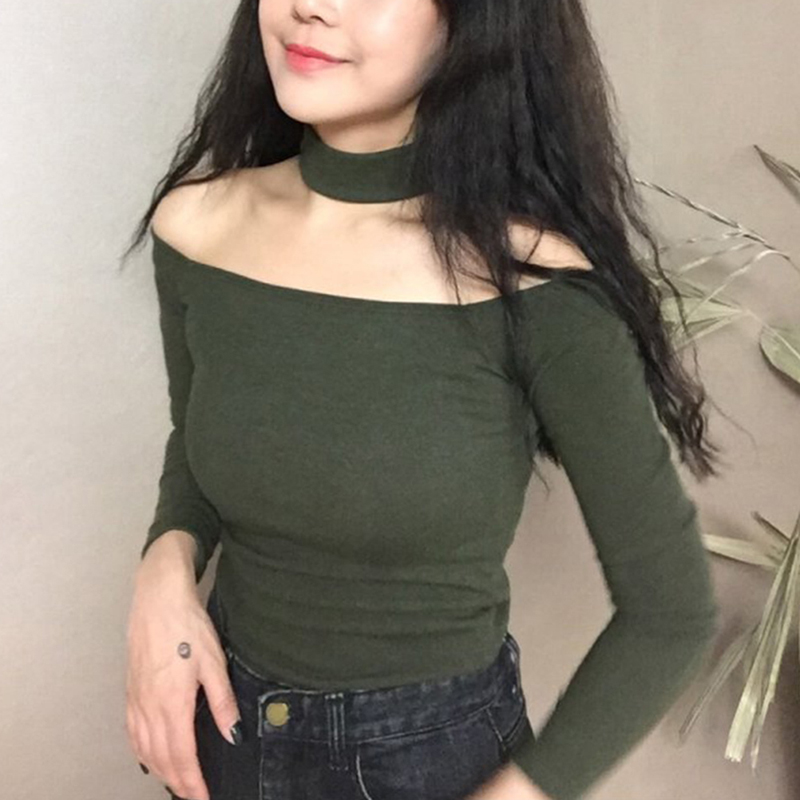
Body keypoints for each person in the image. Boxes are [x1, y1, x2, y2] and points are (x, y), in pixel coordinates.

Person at [123, 1, 723, 799]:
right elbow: (199, 445)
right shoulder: (198, 228)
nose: (310, 6)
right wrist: (163, 575)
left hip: (429, 763)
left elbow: (670, 613)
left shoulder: (540, 290)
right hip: (223, 736)